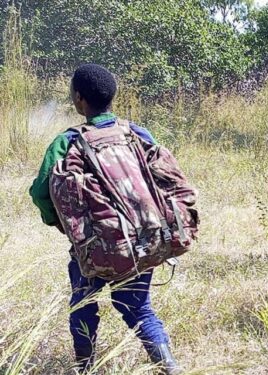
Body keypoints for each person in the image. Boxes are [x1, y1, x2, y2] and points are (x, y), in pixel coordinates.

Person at [28, 64, 180, 374]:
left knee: (83, 306)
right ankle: (170, 368)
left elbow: (40, 192)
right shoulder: (137, 132)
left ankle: (85, 369)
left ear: (79, 99)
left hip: (92, 246)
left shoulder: (66, 141)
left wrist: (61, 225)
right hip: (141, 243)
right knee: (139, 308)